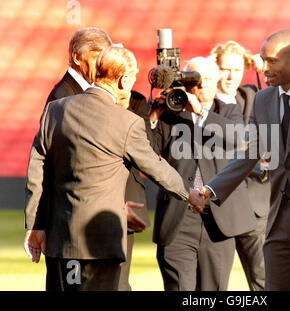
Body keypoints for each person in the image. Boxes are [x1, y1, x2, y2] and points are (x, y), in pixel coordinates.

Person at [24, 46, 201, 291]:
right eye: (133, 79)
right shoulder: (126, 122)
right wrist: (190, 194)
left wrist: (35, 224)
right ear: (123, 79)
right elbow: (156, 168)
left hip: (60, 240)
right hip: (100, 243)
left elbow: (37, 166)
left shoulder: (56, 110)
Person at [195, 30, 290, 291]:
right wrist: (211, 190)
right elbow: (249, 152)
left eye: (272, 61)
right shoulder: (263, 99)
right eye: (263, 60)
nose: (263, 68)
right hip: (278, 220)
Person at [44, 28, 150, 291]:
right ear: (78, 58)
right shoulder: (64, 99)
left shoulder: (81, 95)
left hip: (99, 220)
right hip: (77, 228)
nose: (104, 62)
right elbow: (73, 168)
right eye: (98, 56)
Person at [148, 56, 257, 291]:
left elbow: (241, 138)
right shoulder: (170, 112)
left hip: (218, 218)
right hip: (178, 217)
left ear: (216, 80)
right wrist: (154, 116)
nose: (201, 85)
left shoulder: (228, 110)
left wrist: (200, 112)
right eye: (195, 79)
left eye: (207, 79)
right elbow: (145, 151)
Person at [210, 40, 268, 291]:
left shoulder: (253, 95)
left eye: (236, 69)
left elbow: (281, 100)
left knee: (263, 279)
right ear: (215, 69)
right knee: (212, 283)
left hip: (255, 203)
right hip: (216, 205)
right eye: (225, 69)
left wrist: (263, 69)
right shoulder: (202, 101)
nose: (231, 76)